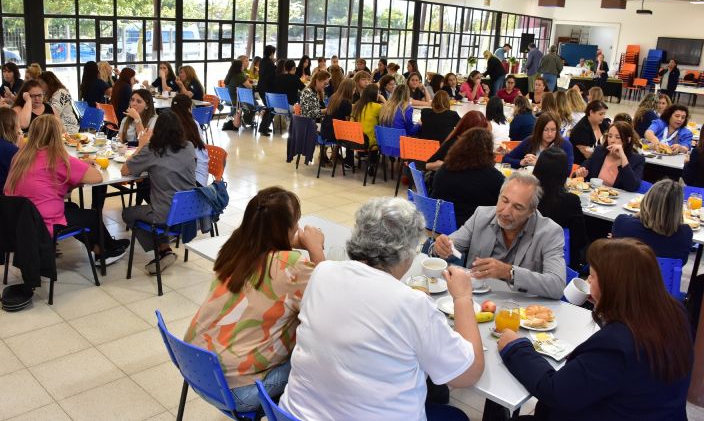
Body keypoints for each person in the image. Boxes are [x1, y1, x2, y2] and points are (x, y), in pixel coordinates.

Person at [280, 197, 483, 421]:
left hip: (293, 415)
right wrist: (463, 297)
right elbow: (467, 375)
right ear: (407, 252)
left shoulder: (322, 272)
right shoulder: (412, 304)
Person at [497, 238, 692, 421]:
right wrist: (604, 307)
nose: (588, 281)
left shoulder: (616, 344)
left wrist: (515, 347)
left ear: (612, 286)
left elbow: (555, 392)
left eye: (592, 276)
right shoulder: (674, 312)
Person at [186, 187, 325, 412]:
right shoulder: (290, 266)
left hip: (195, 368)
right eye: (296, 223)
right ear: (286, 229)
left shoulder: (236, 246)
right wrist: (315, 248)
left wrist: (288, 244)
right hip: (237, 392)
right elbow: (327, 295)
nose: (299, 228)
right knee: (314, 361)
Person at [5, 115, 128, 264]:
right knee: (91, 217)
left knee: (73, 208)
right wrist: (81, 167)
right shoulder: (55, 157)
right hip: (41, 222)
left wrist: (76, 170)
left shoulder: (20, 155)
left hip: (18, 218)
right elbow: (97, 177)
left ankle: (102, 247)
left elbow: (49, 184)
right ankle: (106, 252)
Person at [433, 172, 566, 299]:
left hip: (520, 310)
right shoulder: (481, 216)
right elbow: (451, 247)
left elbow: (557, 286)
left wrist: (509, 272)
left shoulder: (550, 232)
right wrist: (439, 248)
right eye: (504, 200)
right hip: (474, 299)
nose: (506, 211)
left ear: (531, 211)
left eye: (517, 207)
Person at [120, 111, 197, 272]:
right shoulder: (189, 147)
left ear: (157, 130)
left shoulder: (152, 150)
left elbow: (125, 170)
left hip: (165, 214)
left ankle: (161, 250)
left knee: (128, 213)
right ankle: (165, 249)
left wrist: (142, 145)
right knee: (155, 199)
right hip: (188, 212)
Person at [430, 128, 504, 227]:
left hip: (440, 223)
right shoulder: (493, 177)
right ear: (488, 150)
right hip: (473, 229)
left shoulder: (444, 169)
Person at [613, 180, 693, 265]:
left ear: (647, 199)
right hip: (662, 278)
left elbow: (614, 251)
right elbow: (682, 262)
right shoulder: (685, 234)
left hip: (625, 276)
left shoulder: (623, 224)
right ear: (678, 209)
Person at [532, 147, 587, 270]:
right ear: (564, 172)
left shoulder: (529, 194)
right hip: (561, 260)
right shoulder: (570, 200)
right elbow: (580, 240)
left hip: (529, 254)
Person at [574, 121, 644, 192]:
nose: (612, 140)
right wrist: (581, 173)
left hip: (618, 201)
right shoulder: (600, 151)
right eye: (610, 136)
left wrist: (623, 158)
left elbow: (632, 187)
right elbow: (581, 170)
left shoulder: (637, 159)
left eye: (618, 137)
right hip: (594, 196)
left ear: (628, 140)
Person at [503, 113, 575, 175]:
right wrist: (521, 162)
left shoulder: (565, 145)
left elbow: (567, 171)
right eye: (545, 130)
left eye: (553, 130)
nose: (550, 134)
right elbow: (506, 159)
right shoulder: (529, 141)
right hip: (529, 183)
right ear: (539, 130)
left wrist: (540, 163)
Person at [170, 94, 209, 187]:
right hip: (199, 177)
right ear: (189, 109)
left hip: (192, 181)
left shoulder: (173, 125)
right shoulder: (193, 123)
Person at [350, 83, 382, 172]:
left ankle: (362, 155)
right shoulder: (378, 107)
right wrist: (383, 99)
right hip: (369, 142)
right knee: (377, 136)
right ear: (375, 95)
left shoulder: (357, 105)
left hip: (355, 139)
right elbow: (386, 119)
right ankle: (372, 164)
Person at [570, 100, 609, 165]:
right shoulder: (581, 129)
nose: (603, 116)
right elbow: (587, 155)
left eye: (604, 114)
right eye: (601, 114)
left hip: (599, 159)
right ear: (591, 112)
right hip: (583, 164)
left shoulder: (602, 123)